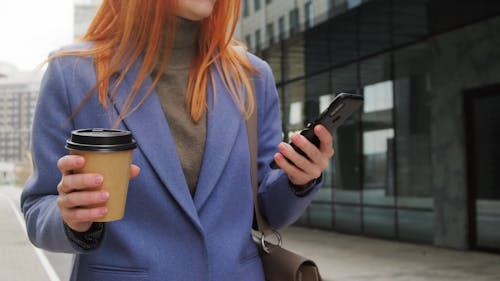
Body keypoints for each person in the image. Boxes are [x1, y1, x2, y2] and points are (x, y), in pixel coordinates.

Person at [21, 0, 334, 280]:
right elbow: (39, 208)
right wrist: (70, 216)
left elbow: (266, 211)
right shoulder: (72, 74)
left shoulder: (251, 76)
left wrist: (299, 180)